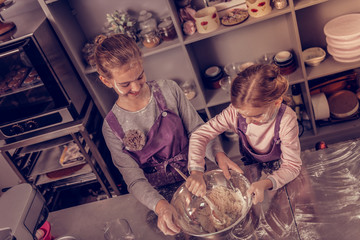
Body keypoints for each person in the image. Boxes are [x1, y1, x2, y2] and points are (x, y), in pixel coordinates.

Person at [93, 33, 232, 235]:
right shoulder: (112, 127)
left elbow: (198, 131)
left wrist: (218, 156)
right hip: (156, 197)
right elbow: (134, 180)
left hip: (197, 176)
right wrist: (160, 206)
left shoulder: (169, 90)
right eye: (125, 84)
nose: (136, 87)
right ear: (106, 81)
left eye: (140, 76)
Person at [186, 64, 302, 205]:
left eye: (256, 116)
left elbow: (292, 166)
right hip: (251, 164)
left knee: (284, 204)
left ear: (277, 102)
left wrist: (266, 183)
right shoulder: (233, 113)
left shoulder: (286, 119)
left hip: (281, 168)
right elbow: (200, 135)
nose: (247, 120)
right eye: (242, 114)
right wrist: (196, 171)